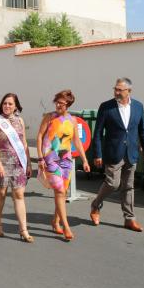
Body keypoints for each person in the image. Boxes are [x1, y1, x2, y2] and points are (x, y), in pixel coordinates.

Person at [90, 77, 144, 232]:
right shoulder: (106, 107)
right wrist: (97, 154)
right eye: (115, 89)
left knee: (128, 187)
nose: (116, 92)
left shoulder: (138, 106)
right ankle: (95, 205)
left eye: (120, 90)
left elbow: (143, 130)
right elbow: (97, 133)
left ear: (129, 91)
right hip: (113, 152)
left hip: (131, 153)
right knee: (113, 183)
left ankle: (129, 219)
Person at [36, 89, 90, 241]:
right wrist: (40, 158)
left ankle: (55, 221)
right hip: (50, 158)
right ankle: (66, 226)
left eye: (62, 103)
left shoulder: (73, 120)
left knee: (62, 192)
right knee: (59, 191)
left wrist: (85, 160)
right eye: (57, 102)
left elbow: (77, 142)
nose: (59, 105)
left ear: (68, 105)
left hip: (66, 160)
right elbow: (40, 136)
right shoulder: (49, 117)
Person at [0, 93, 33, 242]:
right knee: (1, 193)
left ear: (16, 106)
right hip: (2, 161)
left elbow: (24, 143)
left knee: (19, 195)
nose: (7, 106)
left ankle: (23, 230)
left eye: (10, 104)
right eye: (5, 103)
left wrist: (29, 163)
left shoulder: (20, 120)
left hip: (18, 162)